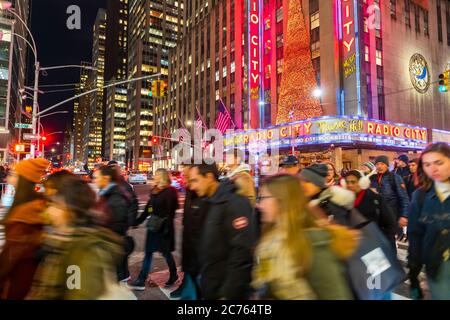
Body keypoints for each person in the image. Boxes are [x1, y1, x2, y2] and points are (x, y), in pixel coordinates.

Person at [252, 174, 357, 300]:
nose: (259, 205)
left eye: (263, 198)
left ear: (282, 200)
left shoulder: (313, 243)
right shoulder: (271, 239)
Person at [27, 173, 125, 300]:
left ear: (70, 209)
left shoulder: (82, 249)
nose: (48, 210)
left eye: (53, 204)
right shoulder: (60, 239)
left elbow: (78, 293)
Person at [189, 162, 255, 300]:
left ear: (209, 177)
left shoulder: (235, 202)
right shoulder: (209, 201)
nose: (192, 186)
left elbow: (242, 253)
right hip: (211, 284)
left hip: (224, 291)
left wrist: (228, 293)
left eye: (195, 180)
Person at [0, 158, 50, 300]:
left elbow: (11, 256)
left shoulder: (25, 213)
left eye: (14, 174)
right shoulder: (29, 206)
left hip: (18, 281)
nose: (8, 178)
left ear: (23, 179)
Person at [408, 142, 450, 300]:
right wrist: (413, 274)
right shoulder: (420, 196)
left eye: (439, 162)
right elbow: (415, 235)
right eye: (427, 164)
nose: (433, 169)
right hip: (437, 267)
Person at [129, 168, 179, 290]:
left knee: (166, 253)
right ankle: (141, 280)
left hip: (163, 229)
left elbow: (170, 213)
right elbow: (148, 209)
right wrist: (137, 221)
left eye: (157, 175)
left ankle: (173, 274)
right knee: (148, 253)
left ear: (162, 177)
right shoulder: (155, 191)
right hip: (153, 228)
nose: (154, 177)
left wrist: (167, 229)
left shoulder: (170, 191)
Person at [170, 164, 208, 300]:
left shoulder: (205, 196)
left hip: (200, 258)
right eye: (185, 176)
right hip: (191, 252)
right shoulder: (190, 192)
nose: (185, 180)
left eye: (189, 177)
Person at [93, 165, 130, 282]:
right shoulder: (105, 194)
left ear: (106, 178)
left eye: (96, 177)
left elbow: (118, 226)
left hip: (111, 250)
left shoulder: (116, 198)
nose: (94, 180)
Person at [343, 170, 397, 247]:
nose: (350, 185)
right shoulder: (344, 201)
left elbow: (390, 222)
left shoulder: (375, 198)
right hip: (356, 245)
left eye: (353, 182)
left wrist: (385, 242)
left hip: (375, 243)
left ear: (362, 182)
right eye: (347, 182)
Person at [369, 155, 410, 234]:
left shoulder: (395, 178)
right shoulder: (372, 178)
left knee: (390, 241)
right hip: (376, 217)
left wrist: (404, 216)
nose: (379, 166)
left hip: (391, 216)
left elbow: (404, 197)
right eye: (377, 164)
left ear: (387, 165)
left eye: (382, 164)